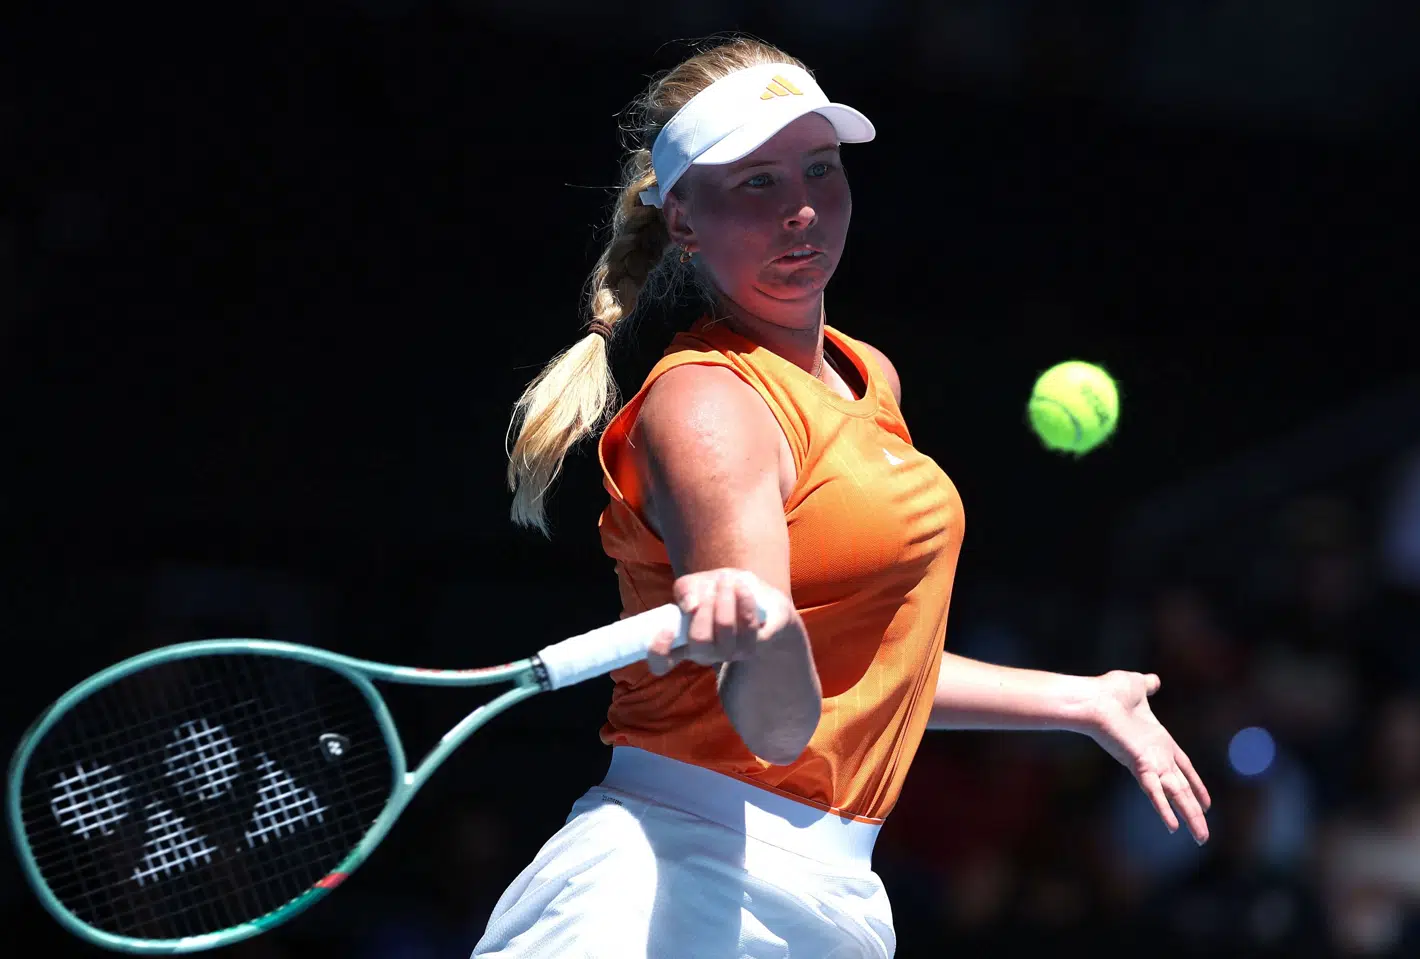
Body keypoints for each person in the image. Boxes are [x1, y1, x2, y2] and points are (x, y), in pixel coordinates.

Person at [476, 36, 1211, 959]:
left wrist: (1080, 701)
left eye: (819, 170)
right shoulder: (707, 400)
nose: (803, 211)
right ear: (683, 221)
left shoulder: (868, 379)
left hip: (829, 891)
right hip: (667, 882)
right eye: (756, 184)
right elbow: (777, 721)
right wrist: (762, 629)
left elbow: (864, 673)